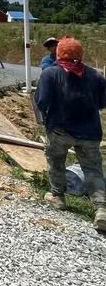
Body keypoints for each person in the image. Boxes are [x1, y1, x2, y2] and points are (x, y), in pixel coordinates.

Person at [34, 37, 106, 231]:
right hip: (90, 131)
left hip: (59, 129)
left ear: (59, 53)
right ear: (80, 54)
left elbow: (41, 102)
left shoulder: (50, 74)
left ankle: (57, 196)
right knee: (92, 168)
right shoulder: (96, 76)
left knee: (56, 161)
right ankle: (101, 208)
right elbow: (101, 103)